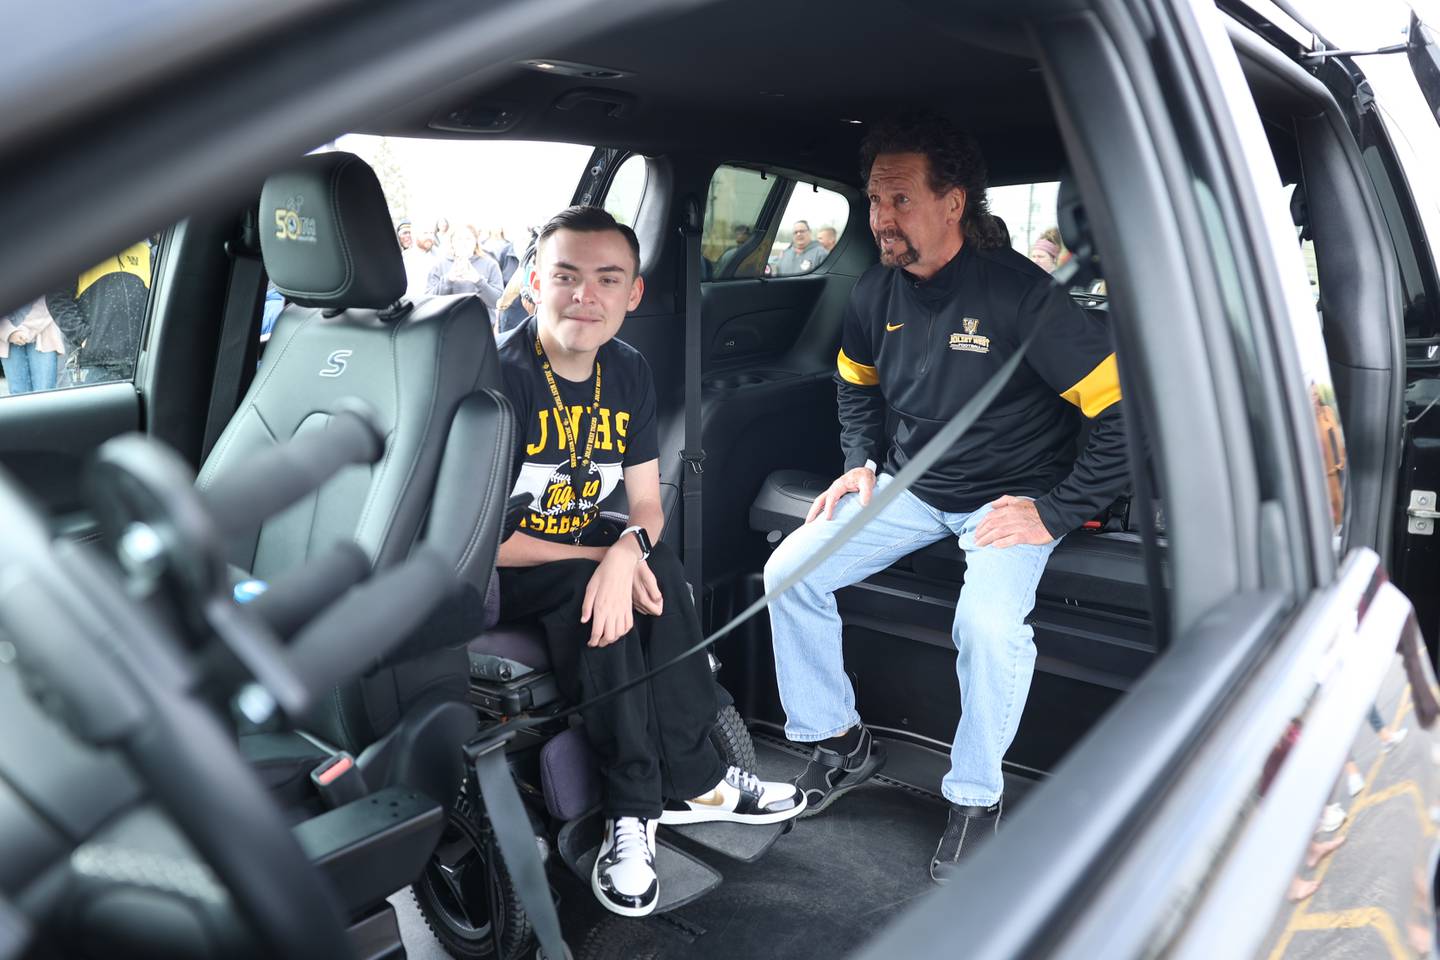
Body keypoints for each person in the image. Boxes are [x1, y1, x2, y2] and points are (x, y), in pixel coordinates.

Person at [763, 114, 1128, 883]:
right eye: (872, 201)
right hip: (912, 486)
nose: (880, 219)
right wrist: (861, 463)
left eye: (899, 200)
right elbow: (855, 385)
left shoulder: (1022, 298)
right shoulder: (872, 292)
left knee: (988, 627)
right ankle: (839, 741)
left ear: (954, 203)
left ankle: (975, 797)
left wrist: (1055, 509)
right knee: (789, 571)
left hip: (1012, 499)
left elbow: (1122, 415)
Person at [495, 206, 806, 918]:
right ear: (535, 280)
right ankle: (631, 811)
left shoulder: (626, 370)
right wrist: (603, 556)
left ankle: (696, 781)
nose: (585, 296)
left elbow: (646, 506)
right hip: (502, 568)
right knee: (595, 585)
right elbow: (480, 540)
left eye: (608, 279)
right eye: (567, 277)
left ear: (632, 294)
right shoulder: (501, 379)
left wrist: (625, 550)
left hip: (586, 545)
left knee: (656, 563)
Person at [46, 240, 152, 385]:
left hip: (141, 360)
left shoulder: (144, 251)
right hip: (95, 365)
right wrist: (83, 336)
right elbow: (57, 298)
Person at [427, 224, 503, 326]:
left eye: (468, 239)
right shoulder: (439, 266)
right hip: (448, 328)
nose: (463, 243)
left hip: (482, 329)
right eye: (459, 239)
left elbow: (498, 302)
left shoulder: (490, 264)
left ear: (475, 241)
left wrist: (479, 281)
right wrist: (448, 280)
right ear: (452, 242)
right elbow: (429, 302)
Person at [1, 299, 65, 394]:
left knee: (45, 392)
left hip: (43, 331)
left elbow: (51, 298)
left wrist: (22, 330)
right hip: (7, 337)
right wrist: (8, 331)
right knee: (18, 395)